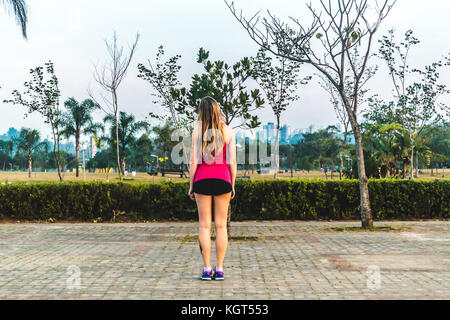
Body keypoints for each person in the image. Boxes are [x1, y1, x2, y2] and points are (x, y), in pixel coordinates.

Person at [188, 96, 237, 281]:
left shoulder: (197, 132)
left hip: (202, 180)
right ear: (218, 110)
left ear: (201, 112)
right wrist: (232, 184)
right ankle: (220, 269)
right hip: (223, 180)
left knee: (204, 225)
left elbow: (193, 161)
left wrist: (191, 185)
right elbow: (232, 161)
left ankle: (207, 269)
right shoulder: (229, 131)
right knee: (221, 225)